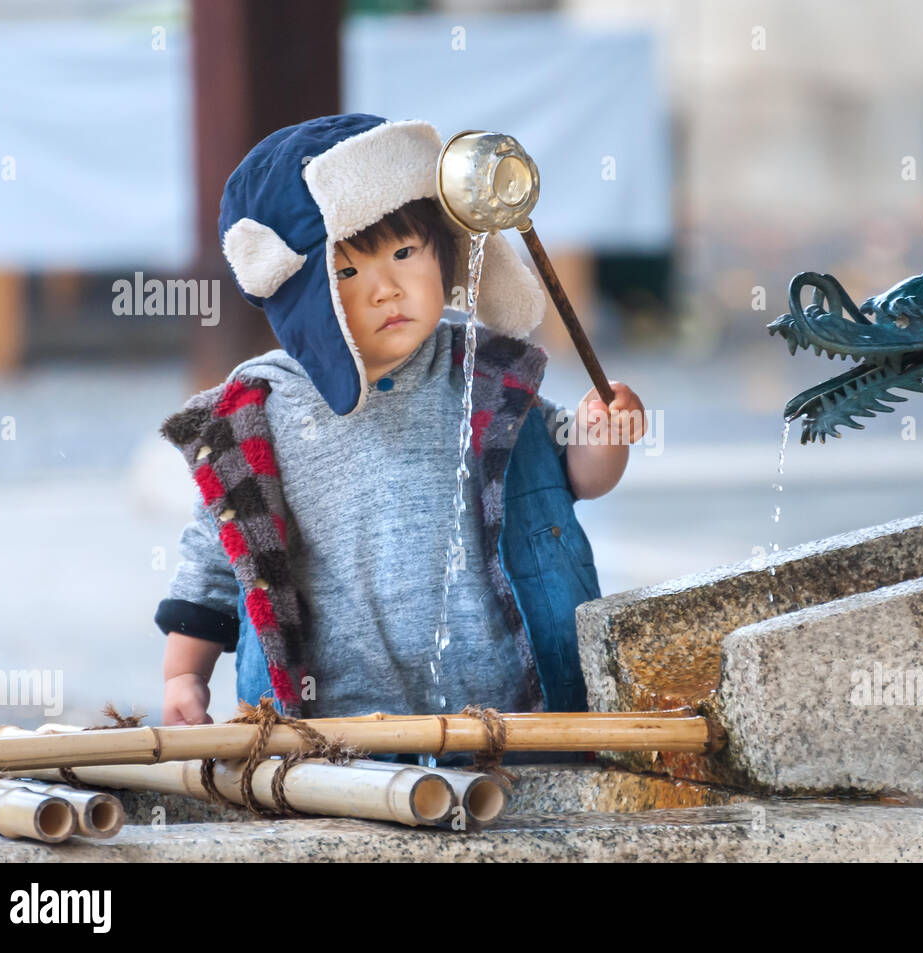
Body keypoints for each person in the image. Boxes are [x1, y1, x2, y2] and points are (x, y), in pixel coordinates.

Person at [153, 114, 645, 766]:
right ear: (302, 295)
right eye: (348, 273)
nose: (386, 288)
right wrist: (183, 674)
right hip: (336, 733)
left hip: (501, 716)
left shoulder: (481, 373)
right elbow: (219, 552)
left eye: (405, 253)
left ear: (445, 251)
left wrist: (603, 434)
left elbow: (572, 476)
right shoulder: (263, 411)